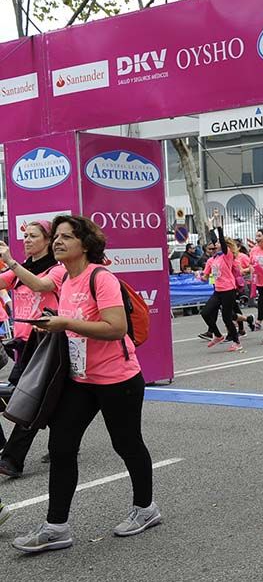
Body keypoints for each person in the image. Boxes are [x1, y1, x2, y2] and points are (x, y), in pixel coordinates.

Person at [0, 215, 158, 553]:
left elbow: (116, 328)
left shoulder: (101, 278)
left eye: (66, 237)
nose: (57, 242)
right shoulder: (65, 279)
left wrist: (66, 323)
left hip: (118, 379)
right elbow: (56, 306)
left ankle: (146, 508)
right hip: (80, 379)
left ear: (85, 244)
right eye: (56, 237)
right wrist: (51, 324)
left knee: (127, 444)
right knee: (61, 447)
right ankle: (56, 527)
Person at [0, 221, 60, 479]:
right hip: (24, 345)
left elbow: (39, 285)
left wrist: (11, 262)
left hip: (46, 343)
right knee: (43, 399)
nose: (26, 240)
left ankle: (11, 459)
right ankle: (63, 441)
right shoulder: (21, 269)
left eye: (33, 236)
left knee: (28, 400)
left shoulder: (57, 270)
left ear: (48, 241)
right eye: (25, 235)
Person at [201, 212, 247, 352]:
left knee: (227, 318)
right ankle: (218, 335)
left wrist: (219, 226)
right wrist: (210, 226)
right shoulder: (214, 258)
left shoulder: (227, 256)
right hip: (218, 290)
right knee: (205, 313)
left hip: (228, 290)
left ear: (223, 245)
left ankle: (237, 342)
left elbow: (219, 239)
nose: (215, 245)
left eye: (217, 244)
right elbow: (215, 239)